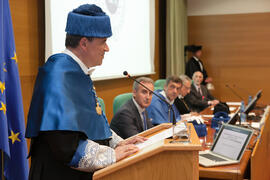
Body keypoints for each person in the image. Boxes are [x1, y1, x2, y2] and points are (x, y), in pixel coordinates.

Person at [25, 4, 145, 180]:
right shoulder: (58, 74)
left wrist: (119, 143)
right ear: (83, 43)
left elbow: (91, 122)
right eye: (103, 42)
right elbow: (65, 145)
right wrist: (112, 155)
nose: (107, 48)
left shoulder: (77, 72)